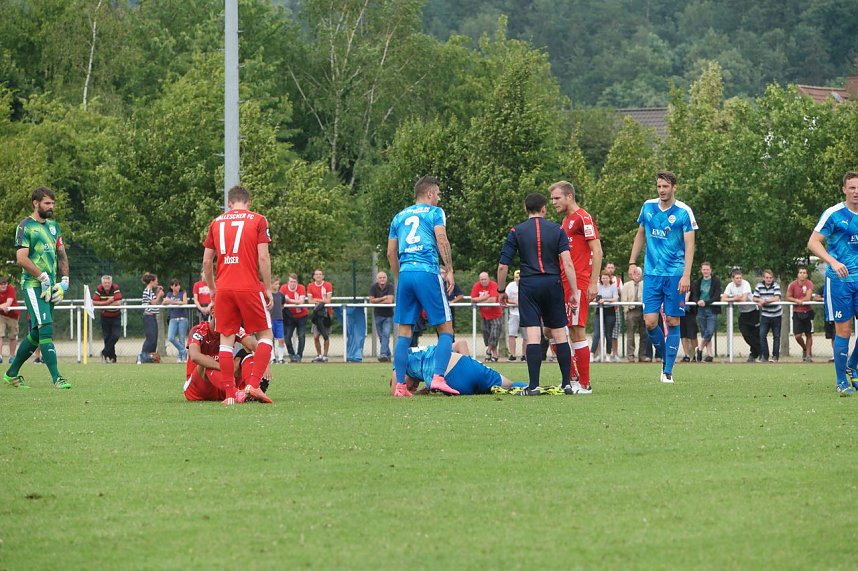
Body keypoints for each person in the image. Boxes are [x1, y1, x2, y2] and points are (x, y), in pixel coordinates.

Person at [497, 192, 578, 396]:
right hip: (553, 283)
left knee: (532, 335)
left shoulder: (516, 231)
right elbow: (567, 263)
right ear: (544, 209)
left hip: (529, 285)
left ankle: (533, 386)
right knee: (559, 333)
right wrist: (574, 291)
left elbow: (503, 266)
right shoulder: (557, 229)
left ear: (526, 209)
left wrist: (501, 290)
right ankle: (567, 384)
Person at [202, 185, 274, 405]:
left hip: (224, 289)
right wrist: (268, 287)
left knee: (226, 340)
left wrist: (212, 289)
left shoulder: (216, 222)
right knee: (266, 336)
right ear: (249, 203)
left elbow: (207, 261)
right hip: (248, 286)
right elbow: (263, 257)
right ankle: (253, 385)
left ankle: (230, 395)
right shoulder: (258, 220)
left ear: (229, 204)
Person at [387, 175, 459, 397]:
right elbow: (442, 239)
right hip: (427, 271)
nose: (438, 198)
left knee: (404, 332)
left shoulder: (399, 217)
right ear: (429, 193)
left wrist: (400, 277)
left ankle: (400, 386)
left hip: (406, 273)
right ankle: (438, 377)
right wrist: (449, 269)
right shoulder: (435, 212)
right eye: (438, 194)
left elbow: (390, 253)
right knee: (445, 328)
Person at [628, 171, 698, 384]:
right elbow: (640, 233)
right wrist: (632, 262)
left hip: (675, 275)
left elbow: (690, 245)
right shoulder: (648, 207)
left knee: (672, 320)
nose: (661, 190)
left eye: (665, 186)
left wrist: (686, 275)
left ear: (674, 187)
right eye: (659, 186)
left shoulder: (684, 212)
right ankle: (667, 357)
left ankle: (667, 371)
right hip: (651, 274)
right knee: (650, 322)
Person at [3, 187, 71, 389]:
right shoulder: (25, 226)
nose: (51, 207)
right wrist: (41, 276)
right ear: (36, 203)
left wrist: (64, 281)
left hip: (50, 287)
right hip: (33, 285)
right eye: (47, 203)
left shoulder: (54, 226)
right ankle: (57, 378)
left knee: (36, 333)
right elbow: (21, 259)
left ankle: (11, 373)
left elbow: (62, 254)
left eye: (52, 203)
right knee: (45, 328)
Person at [549, 180, 603, 391]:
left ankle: (584, 384)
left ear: (569, 196)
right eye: (552, 199)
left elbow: (597, 251)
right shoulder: (565, 221)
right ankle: (572, 377)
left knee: (576, 330)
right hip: (562, 283)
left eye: (557, 198)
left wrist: (593, 283)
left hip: (578, 282)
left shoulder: (583, 218)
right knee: (550, 330)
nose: (553, 202)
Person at [807, 171, 858, 395]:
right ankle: (841, 382)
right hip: (840, 281)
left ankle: (852, 365)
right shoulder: (834, 214)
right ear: (844, 189)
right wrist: (833, 261)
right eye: (852, 188)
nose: (856, 192)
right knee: (844, 330)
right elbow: (813, 242)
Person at [389, 339, 525, 396]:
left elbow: (395, 390)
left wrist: (413, 391)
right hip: (468, 366)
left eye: (410, 388)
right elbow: (461, 343)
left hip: (455, 383)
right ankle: (531, 389)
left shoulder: (401, 360)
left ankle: (481, 386)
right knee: (510, 384)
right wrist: (468, 366)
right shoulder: (427, 351)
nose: (413, 389)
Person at [183, 319, 271, 404]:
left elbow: (253, 344)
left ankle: (251, 389)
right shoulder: (199, 330)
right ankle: (236, 393)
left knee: (245, 354)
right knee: (208, 361)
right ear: (213, 312)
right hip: (198, 390)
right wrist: (224, 368)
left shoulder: (233, 328)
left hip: (223, 387)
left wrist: (263, 362)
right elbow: (194, 356)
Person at [720, 269, 761, 362]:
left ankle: (755, 354)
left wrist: (733, 299)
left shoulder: (745, 284)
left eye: (740, 278)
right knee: (746, 334)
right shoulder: (730, 286)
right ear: (733, 279)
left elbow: (744, 299)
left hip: (753, 311)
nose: (739, 280)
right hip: (743, 313)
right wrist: (735, 298)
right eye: (737, 278)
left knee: (755, 335)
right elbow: (723, 299)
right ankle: (759, 351)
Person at [690, 261, 722, 362]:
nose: (706, 271)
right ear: (701, 270)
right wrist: (698, 301)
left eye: (707, 269)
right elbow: (694, 296)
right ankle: (709, 354)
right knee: (704, 333)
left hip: (711, 309)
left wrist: (706, 302)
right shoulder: (698, 282)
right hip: (701, 310)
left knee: (710, 331)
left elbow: (716, 296)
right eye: (704, 269)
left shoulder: (716, 281)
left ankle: (699, 348)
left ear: (710, 270)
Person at [471, 272, 503, 362]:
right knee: (487, 335)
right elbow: (473, 299)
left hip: (496, 315)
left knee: (494, 334)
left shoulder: (493, 285)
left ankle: (488, 352)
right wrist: (486, 297)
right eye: (481, 279)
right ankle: (495, 355)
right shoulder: (476, 286)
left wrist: (479, 300)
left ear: (488, 279)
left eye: (485, 279)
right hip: (484, 315)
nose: (483, 281)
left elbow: (493, 300)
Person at [785, 266, 815, 362]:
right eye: (800, 272)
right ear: (797, 274)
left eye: (804, 273)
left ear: (807, 274)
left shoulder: (809, 283)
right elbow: (788, 297)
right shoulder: (792, 284)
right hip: (797, 312)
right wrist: (796, 300)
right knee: (797, 336)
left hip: (808, 311)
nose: (802, 274)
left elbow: (808, 297)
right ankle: (805, 348)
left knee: (808, 334)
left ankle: (808, 356)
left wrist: (801, 300)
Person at [753, 269, 782, 363]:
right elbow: (754, 298)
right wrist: (759, 300)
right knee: (762, 335)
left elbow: (776, 298)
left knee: (776, 336)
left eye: (770, 277)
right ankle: (765, 356)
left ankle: (775, 357)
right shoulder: (759, 286)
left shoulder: (776, 285)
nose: (769, 279)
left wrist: (765, 301)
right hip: (765, 315)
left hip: (776, 314)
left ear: (772, 278)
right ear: (763, 278)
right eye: (767, 277)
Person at [92, 275, 122, 363]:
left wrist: (104, 306)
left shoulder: (115, 288)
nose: (107, 284)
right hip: (105, 317)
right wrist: (107, 302)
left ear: (111, 283)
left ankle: (104, 352)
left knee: (115, 335)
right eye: (105, 283)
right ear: (102, 283)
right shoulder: (99, 289)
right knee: (107, 337)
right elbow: (94, 302)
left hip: (116, 316)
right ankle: (112, 357)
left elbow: (118, 302)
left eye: (108, 283)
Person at [620, 266, 647, 362]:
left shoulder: (645, 285)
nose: (636, 276)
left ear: (641, 275)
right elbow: (624, 299)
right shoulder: (627, 285)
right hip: (631, 311)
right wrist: (626, 312)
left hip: (643, 311)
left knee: (644, 335)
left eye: (638, 274)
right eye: (635, 273)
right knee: (630, 335)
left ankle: (642, 356)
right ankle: (630, 356)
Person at [591, 271, 618, 362]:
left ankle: (608, 355)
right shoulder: (598, 287)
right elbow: (593, 298)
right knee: (596, 334)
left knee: (608, 334)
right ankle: (592, 354)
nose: (605, 279)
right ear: (601, 279)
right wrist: (597, 300)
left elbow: (615, 298)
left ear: (609, 278)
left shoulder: (613, 287)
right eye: (603, 278)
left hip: (610, 311)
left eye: (606, 278)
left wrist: (605, 300)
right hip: (599, 311)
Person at [307, 269, 333, 362]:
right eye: (316, 274)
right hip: (316, 315)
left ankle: (325, 355)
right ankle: (319, 354)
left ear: (323, 276)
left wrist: (317, 300)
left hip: (326, 314)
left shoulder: (327, 285)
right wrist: (322, 300)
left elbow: (328, 300)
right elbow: (310, 301)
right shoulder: (310, 286)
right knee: (316, 336)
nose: (318, 276)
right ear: (314, 276)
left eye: (320, 274)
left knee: (326, 335)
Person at [281, 273, 308, 362]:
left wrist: (289, 300)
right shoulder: (283, 288)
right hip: (289, 316)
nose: (292, 283)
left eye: (294, 282)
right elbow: (280, 299)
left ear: (297, 282)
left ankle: (299, 355)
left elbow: (301, 301)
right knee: (287, 337)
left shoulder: (301, 288)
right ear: (288, 282)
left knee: (301, 336)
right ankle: (292, 354)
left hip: (302, 316)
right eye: (291, 281)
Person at [369, 271, 394, 362]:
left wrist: (377, 301)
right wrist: (383, 298)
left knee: (386, 334)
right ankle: (388, 354)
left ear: (386, 279)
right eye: (380, 277)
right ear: (377, 279)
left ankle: (383, 354)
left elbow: (390, 301)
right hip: (378, 314)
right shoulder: (373, 287)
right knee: (381, 336)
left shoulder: (390, 287)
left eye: (384, 277)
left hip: (388, 315)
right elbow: (371, 300)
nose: (382, 279)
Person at [139, 273, 165, 363]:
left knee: (154, 338)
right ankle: (143, 355)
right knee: (151, 338)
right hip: (148, 317)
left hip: (153, 316)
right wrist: (159, 295)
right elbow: (153, 302)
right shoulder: (147, 291)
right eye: (156, 281)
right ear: (151, 281)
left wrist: (157, 292)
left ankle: (150, 357)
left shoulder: (151, 291)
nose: (157, 283)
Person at [163, 278, 189, 363]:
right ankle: (184, 351)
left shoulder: (183, 293)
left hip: (183, 318)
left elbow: (184, 302)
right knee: (171, 337)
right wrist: (169, 301)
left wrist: (171, 301)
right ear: (172, 287)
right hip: (173, 318)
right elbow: (164, 302)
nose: (178, 287)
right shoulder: (169, 294)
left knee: (182, 338)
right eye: (176, 285)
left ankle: (181, 357)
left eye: (179, 285)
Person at [0, 276, 20, 365]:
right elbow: (4, 307)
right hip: (1, 315)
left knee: (13, 336)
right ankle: (0, 356)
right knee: (0, 335)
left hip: (13, 315)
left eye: (4, 283)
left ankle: (11, 357)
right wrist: (2, 307)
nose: (3, 286)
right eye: (1, 284)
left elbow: (8, 303)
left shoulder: (10, 288)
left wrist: (4, 306)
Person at [505, 270, 522, 362]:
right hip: (513, 313)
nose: (518, 279)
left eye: (520, 277)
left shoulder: (527, 285)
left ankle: (524, 355)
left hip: (525, 313)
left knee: (527, 336)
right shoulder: (510, 286)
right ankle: (513, 355)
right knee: (511, 334)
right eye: (516, 277)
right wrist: (514, 302)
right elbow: (506, 299)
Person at [679, 292, 699, 362]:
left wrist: (687, 295)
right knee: (683, 334)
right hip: (680, 313)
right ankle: (686, 355)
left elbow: (686, 300)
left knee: (692, 334)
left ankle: (696, 355)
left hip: (690, 313)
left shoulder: (691, 289)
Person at [270, 278, 286, 364]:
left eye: (278, 284)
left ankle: (281, 358)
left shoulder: (281, 295)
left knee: (281, 339)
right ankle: (272, 358)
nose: (278, 286)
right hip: (270, 320)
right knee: (270, 339)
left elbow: (282, 304)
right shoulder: (268, 295)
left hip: (279, 319)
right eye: (276, 284)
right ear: (271, 285)